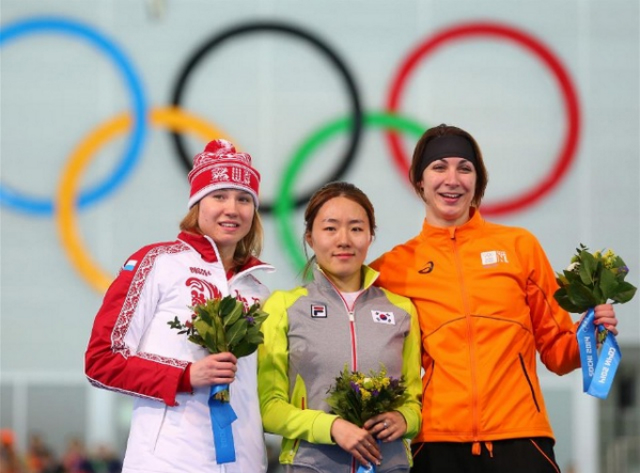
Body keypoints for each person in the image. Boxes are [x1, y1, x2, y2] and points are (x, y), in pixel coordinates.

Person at [369, 124, 619, 472]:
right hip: (437, 442)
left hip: (521, 437)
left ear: (478, 181)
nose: (452, 179)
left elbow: (557, 352)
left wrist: (592, 336)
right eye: (439, 167)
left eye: (465, 168)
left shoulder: (519, 246)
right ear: (419, 181)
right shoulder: (391, 268)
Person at [85, 139, 274, 473]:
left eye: (244, 199)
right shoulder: (156, 262)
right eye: (219, 196)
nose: (233, 208)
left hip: (244, 462)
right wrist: (186, 375)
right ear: (197, 204)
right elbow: (102, 361)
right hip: (167, 461)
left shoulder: (258, 290)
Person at [257, 182, 422, 472]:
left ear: (370, 236)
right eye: (330, 228)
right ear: (310, 237)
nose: (344, 240)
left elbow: (414, 401)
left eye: (356, 228)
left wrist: (405, 419)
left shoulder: (401, 310)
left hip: (389, 465)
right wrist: (330, 427)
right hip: (311, 466)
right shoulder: (283, 307)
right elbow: (269, 407)